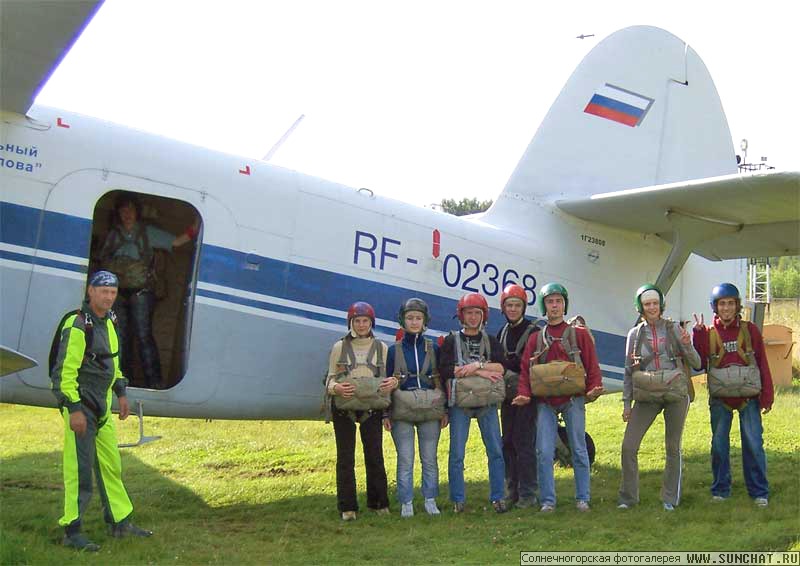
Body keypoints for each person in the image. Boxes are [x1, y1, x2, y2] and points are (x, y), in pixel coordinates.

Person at [50, 271, 152, 551]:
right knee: (79, 469)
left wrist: (121, 394)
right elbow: (63, 373)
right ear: (91, 292)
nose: (108, 297)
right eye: (103, 291)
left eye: (113, 292)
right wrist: (72, 409)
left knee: (111, 465)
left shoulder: (111, 322)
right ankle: (72, 530)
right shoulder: (78, 324)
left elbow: (114, 363)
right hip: (81, 406)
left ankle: (120, 521)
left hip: (103, 405)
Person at [513, 282, 603, 513]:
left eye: (558, 301)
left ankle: (583, 498)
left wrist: (594, 386)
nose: (555, 306)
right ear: (544, 306)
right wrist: (524, 393)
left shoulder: (579, 334)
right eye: (550, 302)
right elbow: (526, 369)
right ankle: (548, 501)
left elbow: (592, 364)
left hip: (573, 399)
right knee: (543, 451)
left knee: (579, 449)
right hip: (545, 402)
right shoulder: (536, 338)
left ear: (565, 305)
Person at [99, 192, 198, 389]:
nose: (126, 213)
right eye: (123, 210)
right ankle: (122, 381)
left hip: (141, 293)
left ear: (137, 212)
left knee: (143, 336)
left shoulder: (148, 232)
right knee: (119, 337)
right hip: (116, 294)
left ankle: (154, 382)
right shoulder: (113, 235)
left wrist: (196, 227)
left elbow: (177, 242)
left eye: (130, 209)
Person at [617, 284, 701, 511]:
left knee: (672, 446)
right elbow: (628, 372)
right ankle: (628, 498)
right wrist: (627, 404)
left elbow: (697, 363)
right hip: (647, 396)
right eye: (647, 304)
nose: (652, 308)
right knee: (629, 446)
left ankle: (669, 498)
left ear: (661, 305)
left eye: (655, 303)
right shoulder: (634, 335)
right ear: (640, 308)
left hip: (675, 394)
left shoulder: (674, 329)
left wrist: (687, 344)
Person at [692, 283, 773, 507]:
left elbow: (763, 363)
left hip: (749, 397)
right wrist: (697, 335)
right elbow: (699, 363)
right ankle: (720, 489)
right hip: (721, 399)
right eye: (722, 304)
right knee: (719, 445)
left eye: (730, 303)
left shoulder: (750, 330)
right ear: (715, 307)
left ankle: (759, 492)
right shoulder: (708, 334)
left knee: (754, 444)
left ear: (737, 306)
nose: (726, 308)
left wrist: (767, 395)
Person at [324, 301, 395, 520]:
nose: (362, 325)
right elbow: (329, 379)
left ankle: (379, 503)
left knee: (374, 456)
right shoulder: (339, 347)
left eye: (365, 321)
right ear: (351, 323)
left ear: (371, 322)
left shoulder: (381, 347)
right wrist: (336, 388)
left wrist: (392, 384)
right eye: (358, 321)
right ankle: (347, 507)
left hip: (371, 407)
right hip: (344, 407)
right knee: (345, 458)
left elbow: (387, 379)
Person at [439, 292, 508, 513]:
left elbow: (501, 368)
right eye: (469, 313)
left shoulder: (492, 340)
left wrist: (475, 368)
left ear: (483, 315)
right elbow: (445, 370)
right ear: (462, 315)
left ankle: (498, 496)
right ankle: (458, 499)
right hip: (461, 403)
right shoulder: (451, 341)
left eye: (477, 313)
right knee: (457, 453)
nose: (473, 317)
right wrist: (482, 371)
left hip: (486, 402)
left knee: (495, 450)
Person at [383, 298, 447, 517]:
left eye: (418, 318)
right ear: (403, 320)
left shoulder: (433, 349)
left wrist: (444, 410)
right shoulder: (393, 351)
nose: (414, 322)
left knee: (429, 458)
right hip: (402, 410)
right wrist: (386, 413)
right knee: (406, 458)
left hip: (430, 409)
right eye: (410, 318)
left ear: (424, 321)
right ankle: (406, 502)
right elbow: (387, 383)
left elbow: (440, 380)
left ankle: (430, 499)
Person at [497, 284, 539, 509]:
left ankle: (528, 493)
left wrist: (505, 366)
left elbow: (530, 364)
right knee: (508, 443)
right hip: (508, 397)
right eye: (509, 305)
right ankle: (511, 489)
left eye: (517, 305)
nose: (513, 309)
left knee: (524, 444)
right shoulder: (502, 331)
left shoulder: (533, 332)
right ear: (503, 308)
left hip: (528, 397)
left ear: (524, 307)